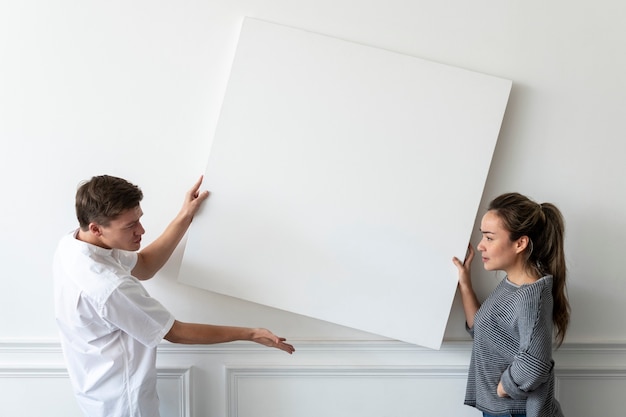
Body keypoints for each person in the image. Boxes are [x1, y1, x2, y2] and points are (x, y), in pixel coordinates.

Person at [53, 175, 295, 417]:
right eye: (130, 226)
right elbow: (175, 332)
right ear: (96, 228)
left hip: (96, 394)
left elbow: (146, 265)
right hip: (124, 405)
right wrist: (250, 333)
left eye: (139, 219)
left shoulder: (75, 246)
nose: (141, 230)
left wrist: (186, 215)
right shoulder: (108, 286)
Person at [452, 192, 570, 417]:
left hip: (516, 412)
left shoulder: (531, 297)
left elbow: (535, 362)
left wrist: (505, 386)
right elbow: (483, 330)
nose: (480, 246)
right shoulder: (511, 285)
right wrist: (466, 284)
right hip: (502, 410)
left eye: (489, 237)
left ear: (520, 243)